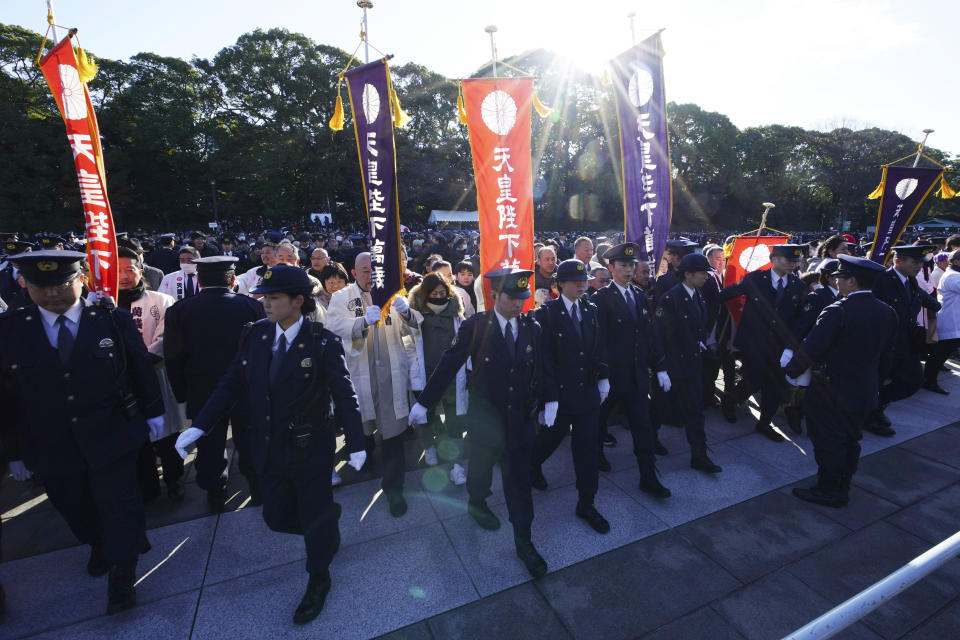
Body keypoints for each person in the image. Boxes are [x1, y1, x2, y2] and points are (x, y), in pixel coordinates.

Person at [175, 264, 365, 625]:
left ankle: (318, 577)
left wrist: (355, 441)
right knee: (276, 516)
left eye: (274, 298)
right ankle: (326, 528)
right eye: (263, 297)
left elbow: (344, 393)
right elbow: (231, 383)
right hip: (267, 444)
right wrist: (200, 426)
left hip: (310, 447)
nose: (265, 304)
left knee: (313, 516)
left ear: (297, 301)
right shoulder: (254, 336)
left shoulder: (320, 340)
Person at [0, 250, 163, 614]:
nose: (52, 294)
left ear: (81, 280)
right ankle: (97, 543)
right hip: (50, 440)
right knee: (72, 504)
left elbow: (139, 367)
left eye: (61, 284)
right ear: (26, 285)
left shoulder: (110, 320)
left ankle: (123, 572)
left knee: (120, 503)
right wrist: (12, 450)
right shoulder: (10, 329)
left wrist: (154, 413)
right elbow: (5, 396)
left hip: (111, 431)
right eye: (42, 286)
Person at [409, 268, 548, 578]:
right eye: (512, 298)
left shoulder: (531, 326)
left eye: (523, 299)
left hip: (520, 421)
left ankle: (524, 541)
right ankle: (477, 502)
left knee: (519, 483)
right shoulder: (476, 326)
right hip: (486, 418)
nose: (518, 304)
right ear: (495, 296)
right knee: (481, 468)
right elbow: (449, 363)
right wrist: (424, 402)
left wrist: (547, 401)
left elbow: (541, 367)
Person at [785, 255, 896, 507]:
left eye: (840, 278)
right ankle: (842, 484)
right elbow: (887, 356)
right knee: (850, 440)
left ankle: (828, 490)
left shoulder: (838, 310)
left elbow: (812, 347)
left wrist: (791, 371)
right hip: (864, 389)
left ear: (852, 281)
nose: (837, 283)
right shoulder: (886, 311)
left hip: (831, 391)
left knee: (827, 441)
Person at [164, 256, 266, 511]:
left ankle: (214, 491)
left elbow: (173, 357)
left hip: (202, 390)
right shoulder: (250, 307)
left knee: (208, 444)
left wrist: (181, 393)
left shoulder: (179, 310)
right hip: (246, 387)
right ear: (233, 281)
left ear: (199, 281)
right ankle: (257, 486)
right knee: (250, 439)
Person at [326, 253, 422, 517]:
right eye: (364, 270)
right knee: (363, 429)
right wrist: (361, 322)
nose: (370, 275)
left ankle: (394, 489)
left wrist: (407, 312)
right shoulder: (342, 297)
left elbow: (416, 326)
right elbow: (332, 326)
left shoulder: (394, 294)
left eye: (375, 269)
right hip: (359, 375)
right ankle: (365, 458)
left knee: (393, 436)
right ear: (354, 273)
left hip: (391, 376)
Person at [531, 259, 612, 533]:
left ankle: (586, 503)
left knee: (587, 449)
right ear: (559, 285)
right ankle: (532, 466)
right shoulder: (547, 314)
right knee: (549, 439)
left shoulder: (590, 309)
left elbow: (599, 347)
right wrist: (549, 398)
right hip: (560, 395)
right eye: (573, 281)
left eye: (583, 280)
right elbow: (543, 361)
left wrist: (603, 376)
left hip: (587, 393)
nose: (580, 285)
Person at [591, 243, 672, 498]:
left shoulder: (638, 295)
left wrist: (659, 367)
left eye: (631, 265)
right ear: (611, 267)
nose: (628, 270)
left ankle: (648, 476)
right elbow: (598, 342)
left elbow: (649, 334)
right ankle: (596, 455)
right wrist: (602, 376)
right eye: (623, 266)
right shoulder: (600, 299)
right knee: (599, 421)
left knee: (643, 426)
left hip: (636, 376)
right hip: (613, 377)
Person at [115, 245, 185, 502]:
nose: (124, 276)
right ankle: (146, 486)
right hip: (119, 384)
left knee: (167, 437)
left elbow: (166, 339)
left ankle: (175, 478)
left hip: (156, 375)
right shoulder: (100, 305)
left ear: (140, 270)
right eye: (118, 270)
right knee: (136, 441)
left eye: (129, 269)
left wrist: (140, 363)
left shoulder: (161, 300)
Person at [719, 244, 807, 441]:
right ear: (774, 259)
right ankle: (730, 400)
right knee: (752, 380)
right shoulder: (756, 279)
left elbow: (800, 319)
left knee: (775, 385)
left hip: (780, 346)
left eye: (795, 260)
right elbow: (730, 293)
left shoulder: (797, 285)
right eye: (788, 260)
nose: (792, 264)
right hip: (754, 342)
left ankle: (765, 423)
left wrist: (791, 347)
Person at [653, 253, 722, 473]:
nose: (706, 277)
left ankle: (699, 454)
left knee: (695, 411)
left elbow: (696, 326)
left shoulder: (698, 294)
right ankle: (650, 440)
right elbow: (659, 335)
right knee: (659, 408)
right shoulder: (670, 298)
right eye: (702, 273)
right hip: (672, 366)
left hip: (691, 364)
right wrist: (661, 367)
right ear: (688, 274)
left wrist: (699, 342)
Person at [867, 245, 941, 435]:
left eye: (920, 263)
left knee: (913, 381)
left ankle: (880, 403)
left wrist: (936, 304)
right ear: (898, 261)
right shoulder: (882, 280)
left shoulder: (911, 281)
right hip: (883, 344)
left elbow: (925, 301)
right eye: (914, 262)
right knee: (876, 381)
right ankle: (869, 416)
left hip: (906, 343)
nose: (918, 266)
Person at [407, 272, 468, 485]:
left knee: (454, 421)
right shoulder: (417, 315)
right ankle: (429, 446)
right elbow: (407, 334)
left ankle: (457, 464)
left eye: (443, 292)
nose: (439, 296)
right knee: (427, 416)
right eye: (434, 293)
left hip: (452, 376)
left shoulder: (456, 314)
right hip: (426, 374)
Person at [924, 249, 960, 392]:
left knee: (943, 350)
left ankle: (933, 372)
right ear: (956, 261)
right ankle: (929, 380)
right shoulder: (953, 276)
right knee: (940, 352)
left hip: (953, 319)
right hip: (950, 320)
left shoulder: (954, 274)